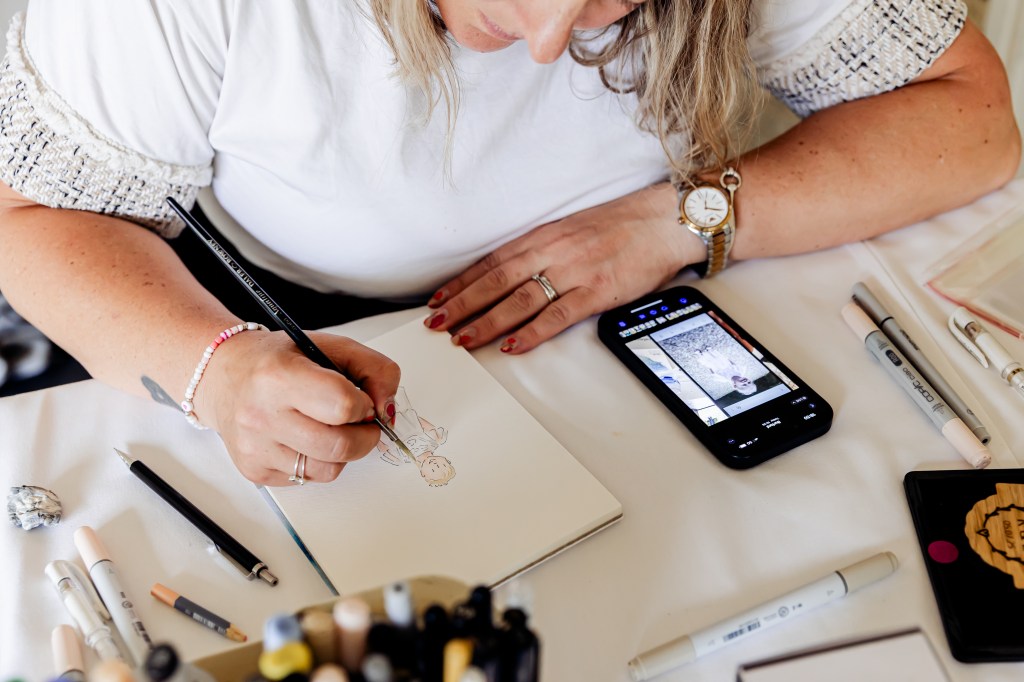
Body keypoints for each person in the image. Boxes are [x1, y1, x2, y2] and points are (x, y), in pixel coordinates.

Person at [0, 0, 1018, 486]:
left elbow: (970, 118)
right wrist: (215, 372)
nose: (548, 44)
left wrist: (681, 218)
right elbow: (34, 217)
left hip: (635, 289)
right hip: (269, 311)